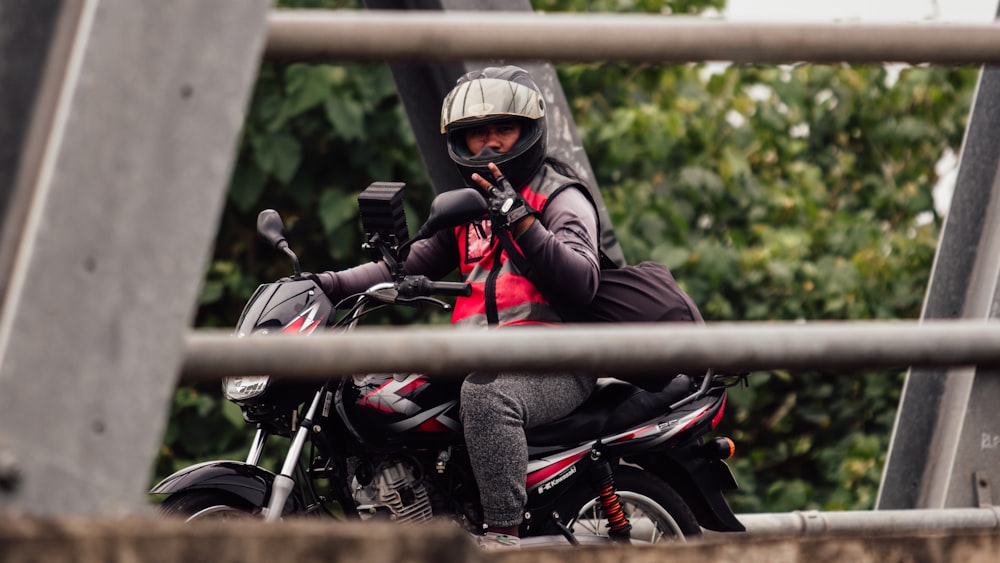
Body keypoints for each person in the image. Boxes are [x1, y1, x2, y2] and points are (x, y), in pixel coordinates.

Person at [310, 66, 602, 550]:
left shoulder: (560, 196)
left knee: (489, 399)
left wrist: (520, 219)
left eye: (502, 131)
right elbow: (404, 265)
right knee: (372, 386)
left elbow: (582, 281)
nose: (488, 146)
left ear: (529, 133)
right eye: (475, 135)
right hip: (481, 358)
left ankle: (502, 539)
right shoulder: (472, 208)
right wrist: (325, 284)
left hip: (558, 362)